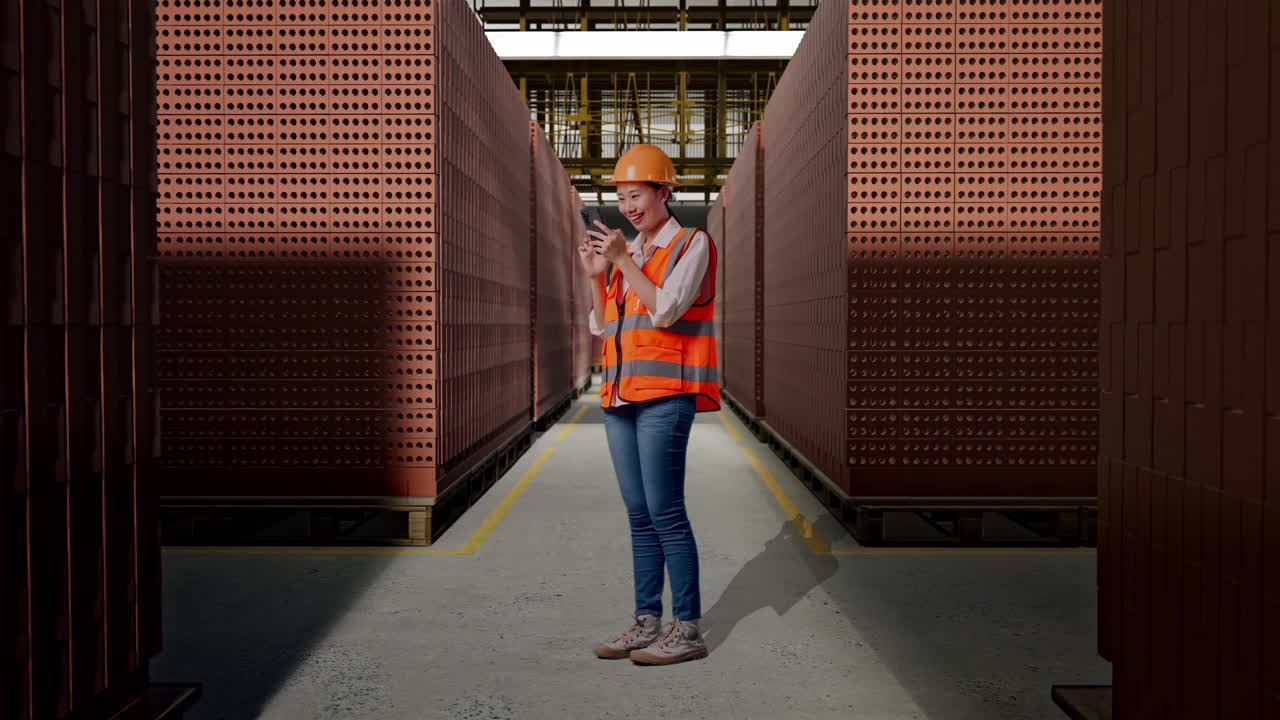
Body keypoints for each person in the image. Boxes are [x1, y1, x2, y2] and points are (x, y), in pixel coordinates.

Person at [576, 143, 720, 666]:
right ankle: (647, 620)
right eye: (621, 196)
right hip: (620, 397)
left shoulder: (691, 244)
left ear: (665, 190)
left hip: (665, 397)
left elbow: (664, 311)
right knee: (639, 514)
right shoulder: (628, 251)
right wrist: (598, 276)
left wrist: (619, 259)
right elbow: (603, 325)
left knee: (666, 512)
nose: (629, 206)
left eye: (637, 194)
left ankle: (687, 627)